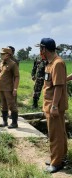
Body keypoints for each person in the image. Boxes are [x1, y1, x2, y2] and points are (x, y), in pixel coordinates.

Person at [35, 38, 68, 173]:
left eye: (40, 49)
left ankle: (56, 162)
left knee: (55, 135)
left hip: (54, 106)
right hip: (50, 104)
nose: (39, 52)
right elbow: (58, 80)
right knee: (60, 133)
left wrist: (54, 106)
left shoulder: (57, 63)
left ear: (44, 49)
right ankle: (60, 157)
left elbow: (59, 87)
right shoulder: (50, 63)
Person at [0, 47, 19, 129]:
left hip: (9, 89)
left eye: (3, 54)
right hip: (2, 88)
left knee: (12, 105)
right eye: (1, 54)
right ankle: (4, 121)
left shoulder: (13, 64)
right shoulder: (1, 63)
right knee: (3, 105)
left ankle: (14, 123)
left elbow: (17, 77)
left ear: (8, 55)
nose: (1, 55)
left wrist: (15, 88)